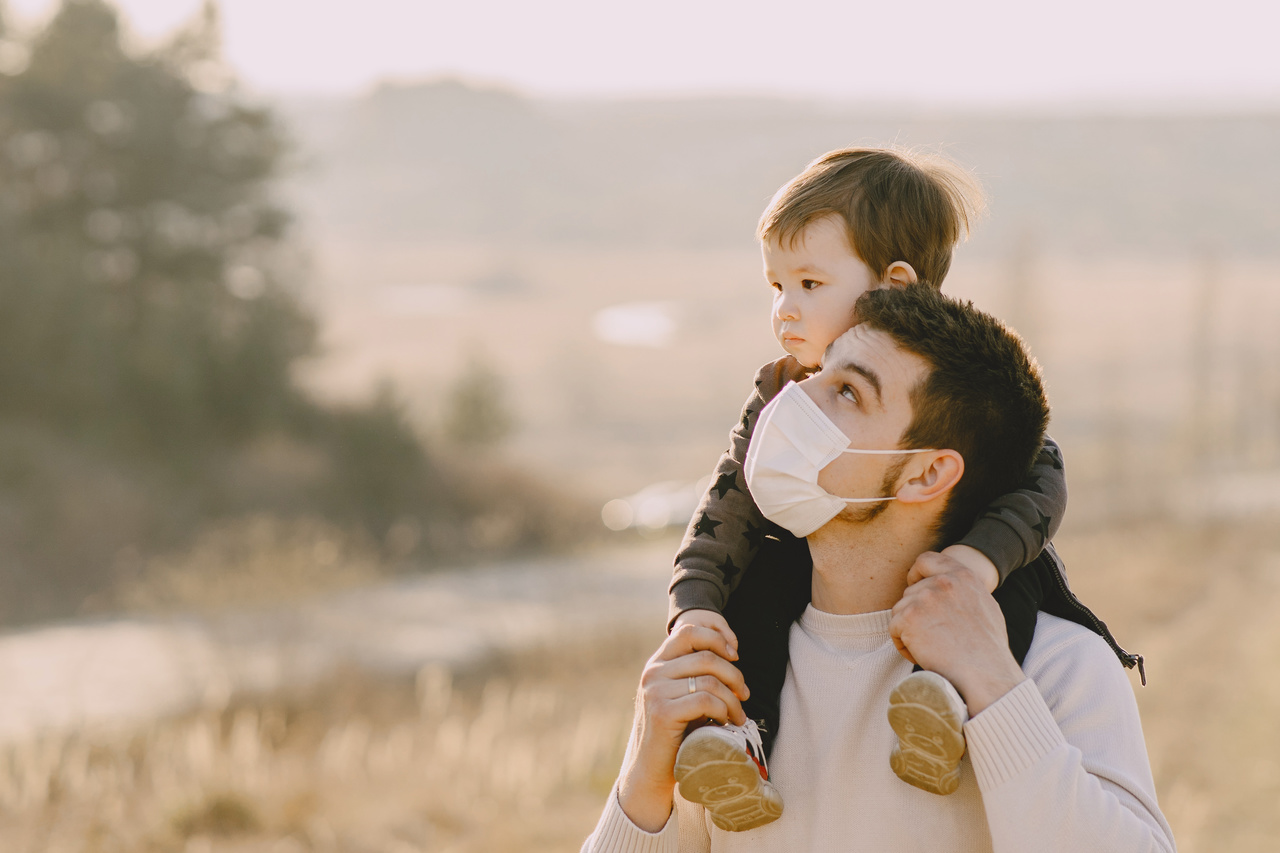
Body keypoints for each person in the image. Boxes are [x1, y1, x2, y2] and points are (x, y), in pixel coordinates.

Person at [582, 285, 1175, 852]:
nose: (791, 400)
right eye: (820, 373)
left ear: (926, 474)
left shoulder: (1054, 664)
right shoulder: (727, 673)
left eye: (848, 393)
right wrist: (644, 776)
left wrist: (994, 685)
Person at [665, 148, 1141, 828]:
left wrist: (972, 572)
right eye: (776, 288)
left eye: (807, 283)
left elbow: (1039, 489)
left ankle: (942, 701)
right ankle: (739, 744)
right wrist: (693, 613)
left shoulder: (1056, 661)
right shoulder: (777, 388)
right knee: (754, 601)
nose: (785, 312)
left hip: (981, 580)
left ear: (891, 285)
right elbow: (722, 515)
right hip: (754, 677)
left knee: (1017, 585)